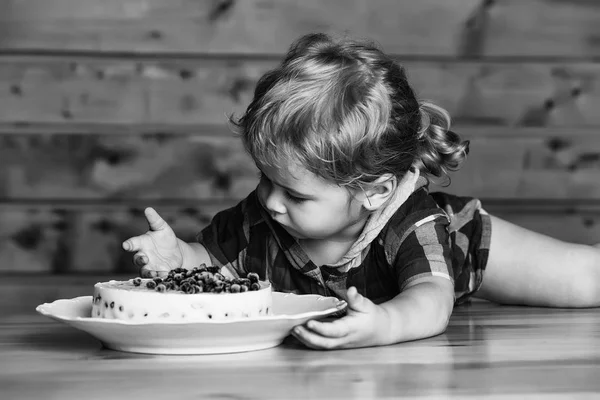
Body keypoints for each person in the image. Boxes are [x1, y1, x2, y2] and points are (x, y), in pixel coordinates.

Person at [122, 33, 600, 350]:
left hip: (460, 243)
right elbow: (209, 262)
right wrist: (177, 258)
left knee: (584, 278)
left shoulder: (415, 223)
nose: (269, 200)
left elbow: (431, 299)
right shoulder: (259, 219)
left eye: (295, 194)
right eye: (265, 179)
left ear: (374, 191)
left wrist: (385, 325)